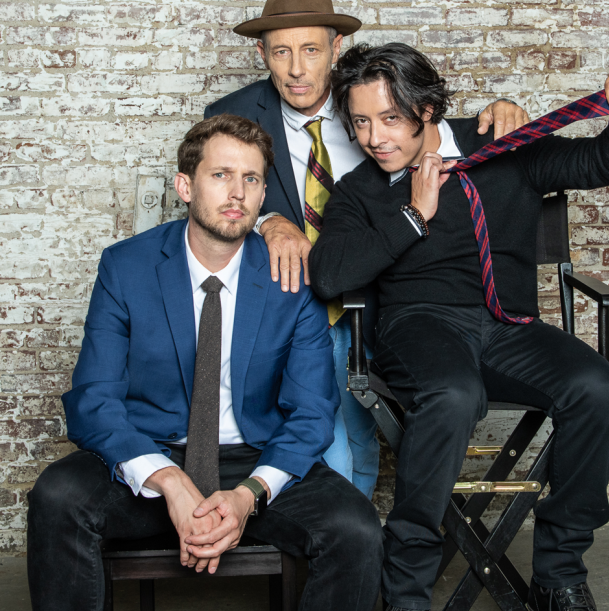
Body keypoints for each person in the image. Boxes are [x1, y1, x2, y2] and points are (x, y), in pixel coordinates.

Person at [308, 42, 609, 611]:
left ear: (426, 110)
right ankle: (406, 593)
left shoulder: (503, 146)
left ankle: (559, 574)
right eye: (362, 122)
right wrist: (413, 215)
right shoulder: (363, 190)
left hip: (508, 327)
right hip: (419, 328)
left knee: (596, 389)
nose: (375, 138)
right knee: (451, 393)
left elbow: (599, 162)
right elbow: (329, 275)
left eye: (390, 118)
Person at [27, 114, 383, 611]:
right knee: (57, 497)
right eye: (221, 175)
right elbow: (94, 399)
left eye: (251, 179)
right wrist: (169, 482)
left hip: (252, 458)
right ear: (185, 185)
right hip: (152, 452)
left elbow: (311, 413)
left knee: (355, 528)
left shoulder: (291, 281)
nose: (237, 192)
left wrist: (247, 496)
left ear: (263, 197)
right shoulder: (125, 267)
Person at [204, 0, 530, 497]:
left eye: (310, 49)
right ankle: (343, 539)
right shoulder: (233, 115)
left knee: (360, 426)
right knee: (325, 430)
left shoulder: (373, 103)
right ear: (262, 54)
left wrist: (501, 112)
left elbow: (437, 130)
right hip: (294, 298)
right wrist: (270, 220)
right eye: (280, 52)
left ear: (337, 48)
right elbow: (215, 194)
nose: (296, 69)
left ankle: (351, 541)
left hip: (385, 293)